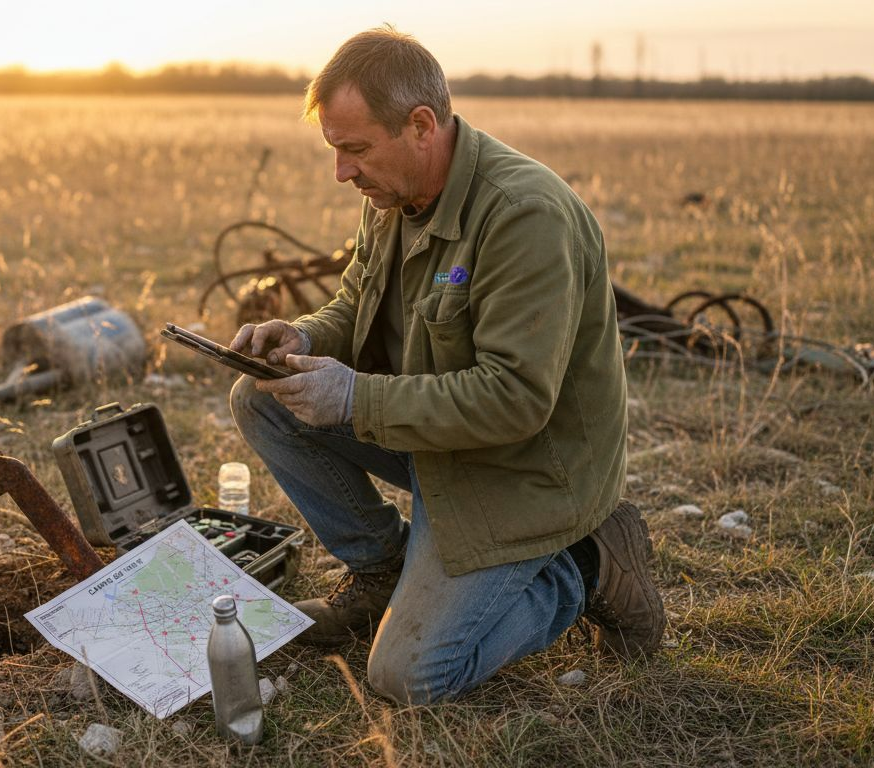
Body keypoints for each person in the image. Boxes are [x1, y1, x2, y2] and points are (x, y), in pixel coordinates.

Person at [228, 26, 665, 704]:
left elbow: (517, 399)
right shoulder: (393, 193)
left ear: (422, 125)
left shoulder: (524, 216)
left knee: (409, 678)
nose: (342, 172)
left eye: (354, 149)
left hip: (522, 469)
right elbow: (355, 303)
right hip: (437, 441)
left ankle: (585, 566)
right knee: (260, 397)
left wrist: (354, 399)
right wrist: (304, 339)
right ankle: (381, 570)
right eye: (334, 151)